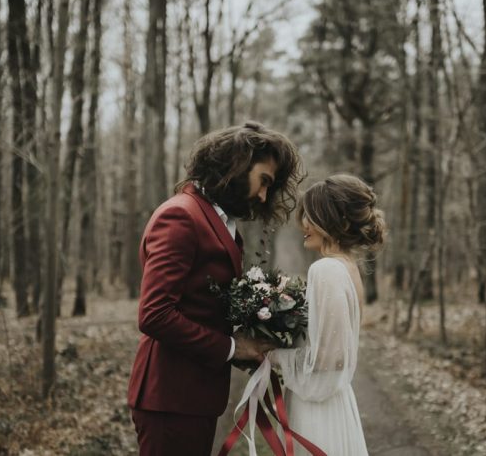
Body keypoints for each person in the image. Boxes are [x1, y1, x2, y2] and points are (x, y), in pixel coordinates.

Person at [127, 121, 303, 456]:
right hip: (171, 398)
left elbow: (201, 308)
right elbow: (155, 315)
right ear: (237, 164)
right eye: (263, 181)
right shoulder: (180, 216)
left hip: (195, 397)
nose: (264, 196)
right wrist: (232, 347)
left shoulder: (218, 221)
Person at [268, 173, 385, 456]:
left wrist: (271, 354)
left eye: (312, 216)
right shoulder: (348, 267)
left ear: (339, 223)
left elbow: (329, 359)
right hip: (338, 405)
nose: (303, 224)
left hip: (318, 412)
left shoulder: (326, 270)